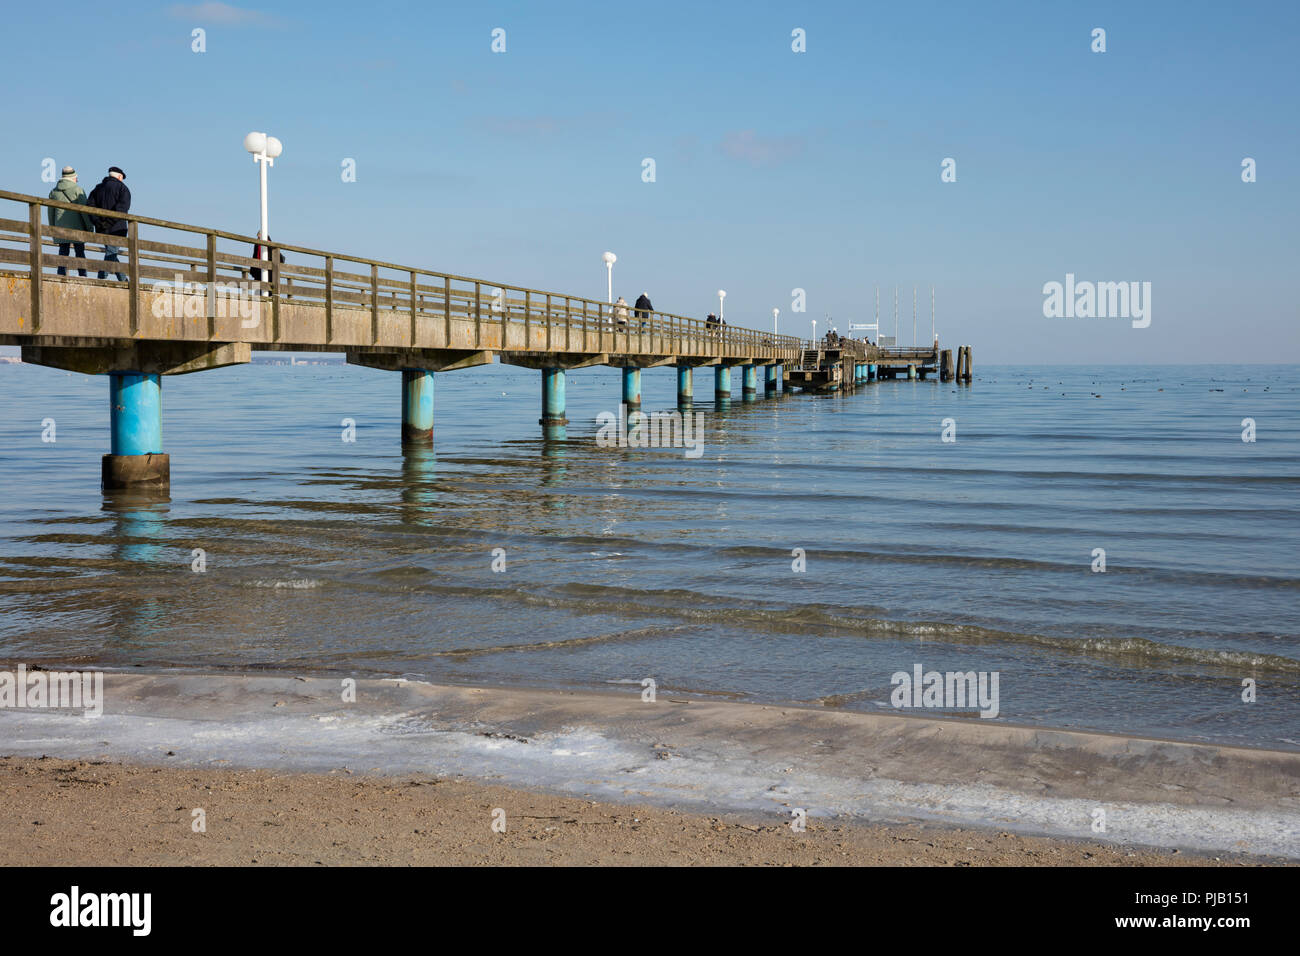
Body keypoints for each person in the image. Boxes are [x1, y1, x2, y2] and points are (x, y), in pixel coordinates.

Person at [86, 166, 130, 281]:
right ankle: (101, 278)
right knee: (111, 253)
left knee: (111, 253)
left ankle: (123, 279)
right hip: (117, 228)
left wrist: (98, 222)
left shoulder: (97, 189)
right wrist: (109, 222)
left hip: (101, 228)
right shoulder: (123, 188)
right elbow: (122, 209)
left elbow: (89, 207)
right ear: (120, 176)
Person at [47, 166, 93, 277]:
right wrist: (89, 227)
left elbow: (50, 213)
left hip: (60, 227)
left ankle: (61, 274)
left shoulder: (53, 192)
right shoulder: (78, 190)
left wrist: (53, 229)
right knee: (80, 252)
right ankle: (82, 275)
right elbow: (84, 211)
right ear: (73, 177)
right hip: (77, 227)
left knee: (63, 251)